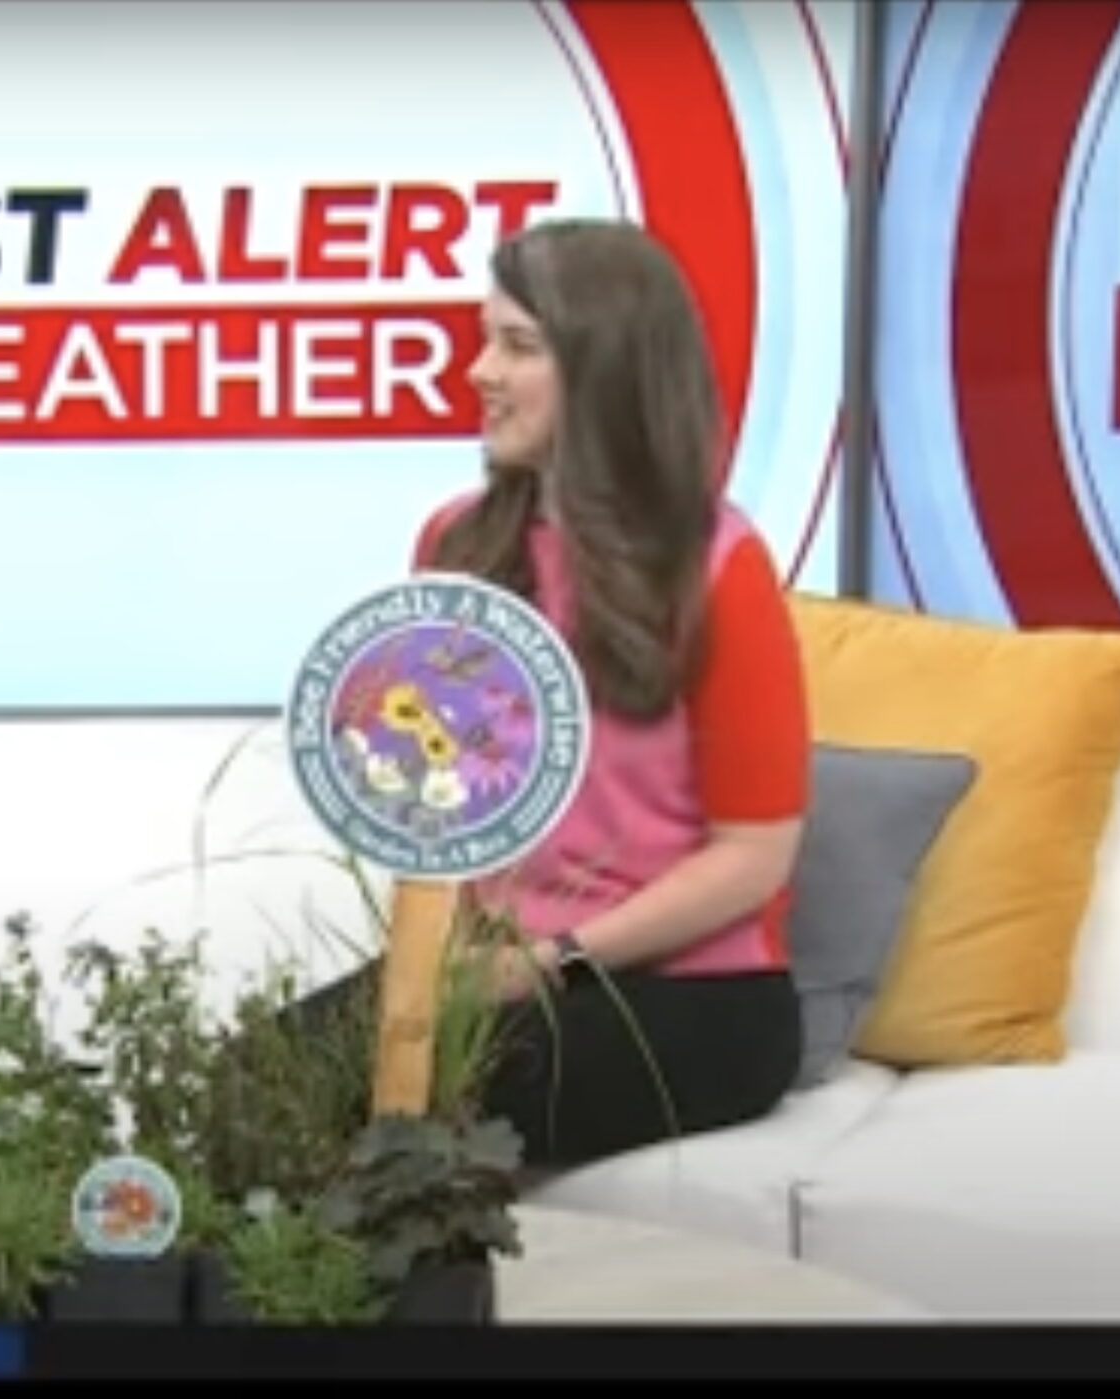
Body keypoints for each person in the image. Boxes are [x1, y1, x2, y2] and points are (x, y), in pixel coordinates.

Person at [303, 218, 811, 1171]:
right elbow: (436, 799)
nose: (479, 371)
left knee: (403, 1113)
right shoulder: (454, 541)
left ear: (606, 369)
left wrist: (546, 962)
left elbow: (756, 856)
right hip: (492, 965)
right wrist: (443, 956)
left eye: (518, 346)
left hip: (694, 995)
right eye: (483, 337)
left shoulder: (720, 564)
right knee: (248, 1083)